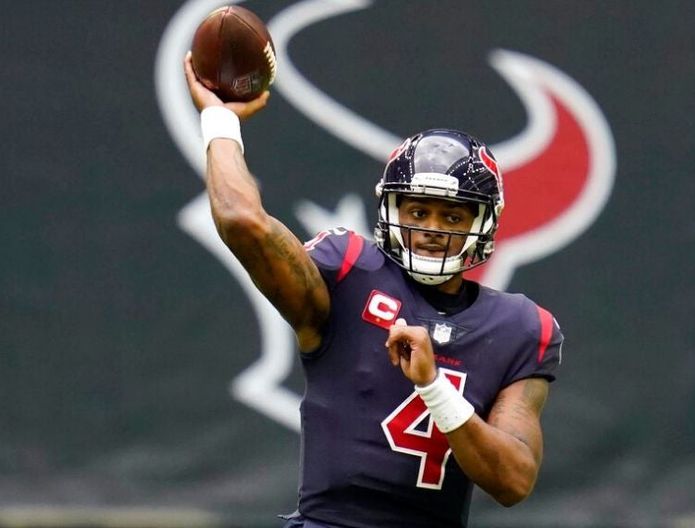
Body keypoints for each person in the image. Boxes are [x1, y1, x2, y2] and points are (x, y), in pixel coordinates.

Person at [183, 53, 563, 528]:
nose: (431, 230)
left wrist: (434, 387)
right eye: (418, 211)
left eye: (451, 216)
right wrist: (220, 120)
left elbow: (514, 480)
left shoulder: (521, 327)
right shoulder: (348, 273)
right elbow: (242, 221)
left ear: (482, 225)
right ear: (391, 211)